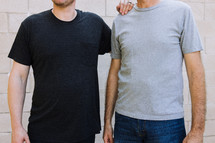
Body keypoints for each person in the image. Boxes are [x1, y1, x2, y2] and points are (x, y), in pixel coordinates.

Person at [7, 0, 133, 143]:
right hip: (43, 131)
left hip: (83, 132)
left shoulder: (94, 24)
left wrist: (129, 15)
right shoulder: (31, 26)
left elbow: (125, 48)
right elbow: (18, 77)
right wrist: (17, 127)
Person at [103, 0, 206, 143]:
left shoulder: (181, 12)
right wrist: (107, 122)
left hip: (167, 124)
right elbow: (114, 72)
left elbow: (196, 72)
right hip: (125, 123)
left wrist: (198, 130)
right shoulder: (121, 19)